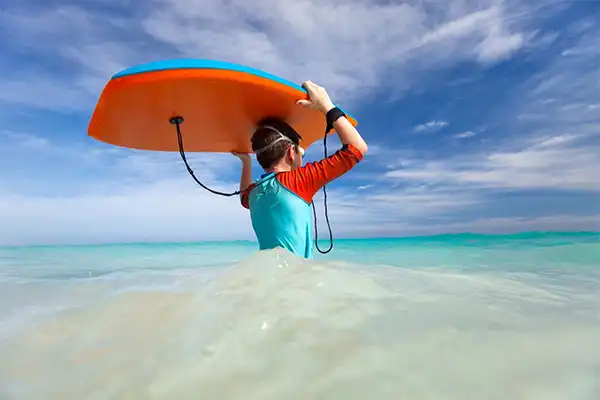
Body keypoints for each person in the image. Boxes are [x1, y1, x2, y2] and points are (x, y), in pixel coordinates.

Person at [232, 81, 368, 258]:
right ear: (290, 152)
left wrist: (246, 162)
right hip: (297, 281)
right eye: (300, 150)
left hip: (269, 280)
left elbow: (243, 196)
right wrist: (326, 105)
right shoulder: (297, 181)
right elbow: (357, 149)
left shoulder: (255, 194)